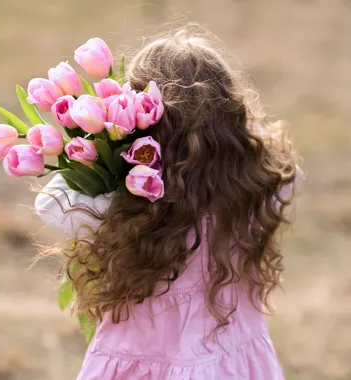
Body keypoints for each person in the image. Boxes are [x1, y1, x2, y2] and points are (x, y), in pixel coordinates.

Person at [35, 27, 299, 380]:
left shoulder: (131, 204)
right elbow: (285, 164)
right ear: (232, 110)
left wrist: (102, 141)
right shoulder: (259, 184)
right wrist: (229, 136)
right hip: (234, 366)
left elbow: (50, 203)